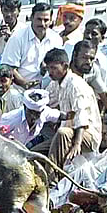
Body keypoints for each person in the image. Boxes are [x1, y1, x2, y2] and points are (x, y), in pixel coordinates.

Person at [40, 46, 102, 184]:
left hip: (87, 134)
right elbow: (46, 101)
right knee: (36, 152)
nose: (50, 72)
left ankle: (52, 181)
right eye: (48, 68)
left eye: (53, 68)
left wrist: (77, 144)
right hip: (68, 133)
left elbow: (82, 117)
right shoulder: (56, 83)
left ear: (65, 66)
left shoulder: (76, 85)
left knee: (62, 133)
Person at [50, 113, 107, 208]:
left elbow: (93, 175)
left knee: (82, 171)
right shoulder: (99, 150)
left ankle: (52, 198)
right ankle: (58, 203)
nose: (104, 137)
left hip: (101, 191)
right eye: (102, 134)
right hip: (88, 186)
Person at [1, 2, 63, 90]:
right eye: (39, 19)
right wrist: (24, 83)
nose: (42, 24)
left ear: (51, 21)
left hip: (49, 92)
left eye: (46, 20)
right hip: (21, 92)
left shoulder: (56, 39)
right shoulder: (18, 37)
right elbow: (9, 68)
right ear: (32, 18)